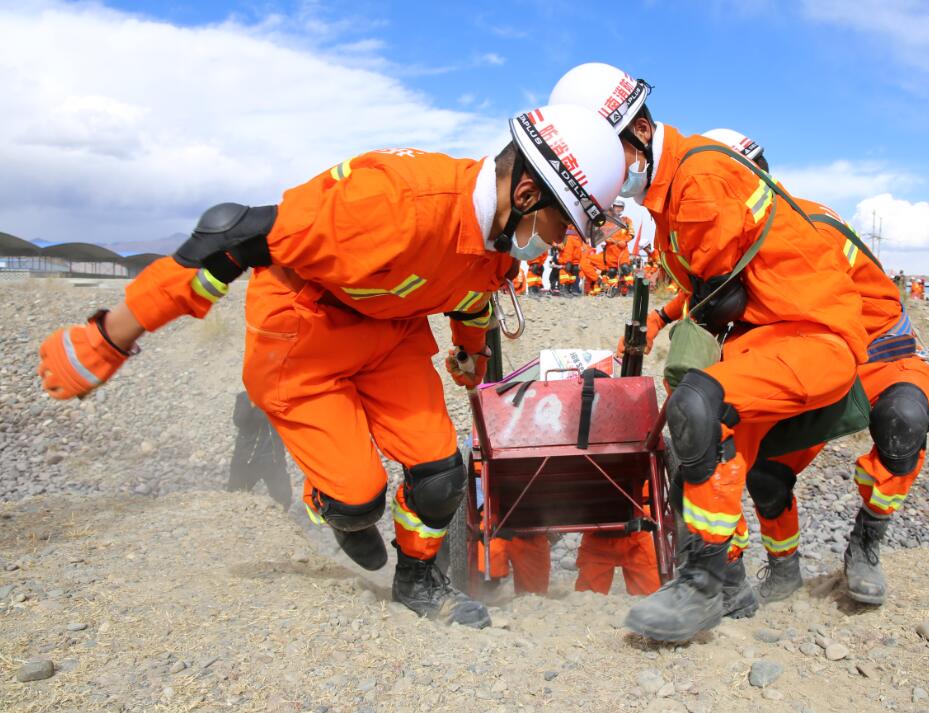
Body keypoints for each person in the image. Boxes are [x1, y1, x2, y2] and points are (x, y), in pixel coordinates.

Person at [37, 104, 626, 629]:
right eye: (561, 225)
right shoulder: (391, 209)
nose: (557, 243)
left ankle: (418, 582)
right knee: (359, 498)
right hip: (304, 331)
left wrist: (469, 352)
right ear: (525, 195)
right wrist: (108, 339)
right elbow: (231, 235)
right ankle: (337, 501)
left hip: (389, 331)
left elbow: (469, 296)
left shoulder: (496, 241)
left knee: (440, 474)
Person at [551, 63, 868, 641]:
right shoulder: (672, 189)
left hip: (811, 337)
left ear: (639, 133)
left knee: (697, 407)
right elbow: (708, 291)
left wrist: (677, 330)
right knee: (700, 445)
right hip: (768, 338)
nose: (599, 179)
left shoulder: (698, 176)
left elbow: (722, 299)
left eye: (603, 158)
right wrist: (657, 320)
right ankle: (726, 582)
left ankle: (700, 586)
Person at [701, 128, 929, 608]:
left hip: (877, 352)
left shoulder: (812, 223)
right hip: (803, 357)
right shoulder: (727, 249)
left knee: (904, 422)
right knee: (764, 475)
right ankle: (783, 569)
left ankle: (866, 543)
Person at [229, 390, 292, 510]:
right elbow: (238, 420)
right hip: (247, 459)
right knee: (235, 494)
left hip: (273, 459)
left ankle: (277, 524)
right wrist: (252, 404)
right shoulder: (245, 398)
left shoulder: (279, 399)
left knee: (284, 498)